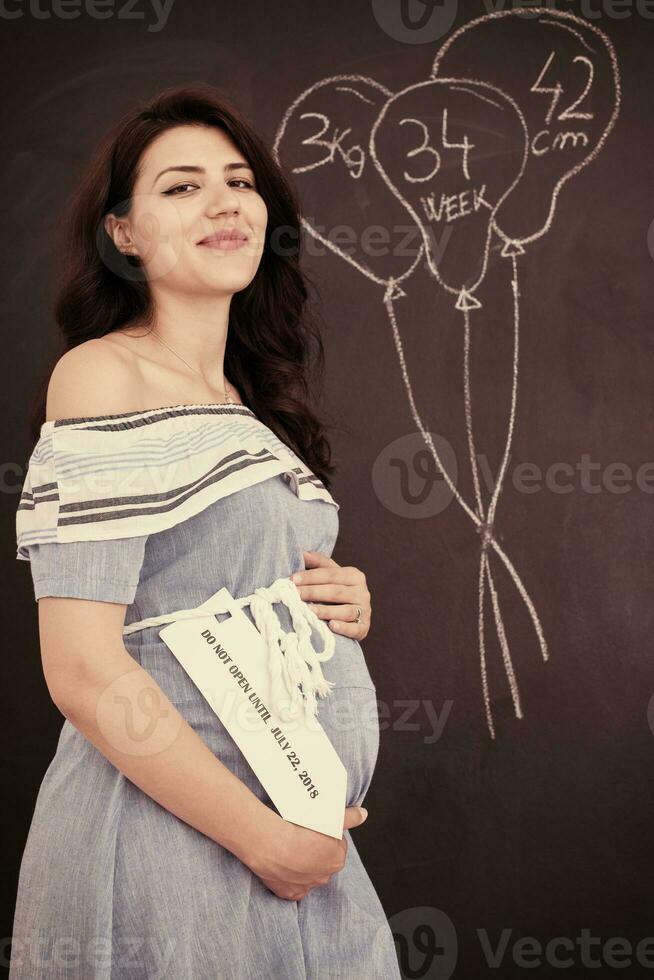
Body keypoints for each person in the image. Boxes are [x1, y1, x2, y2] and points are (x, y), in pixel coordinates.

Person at [10, 83, 400, 979]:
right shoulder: (103, 376)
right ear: (123, 234)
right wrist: (262, 838)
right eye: (181, 187)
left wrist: (332, 599)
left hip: (292, 836)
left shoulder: (252, 407)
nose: (225, 201)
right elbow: (80, 667)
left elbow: (213, 577)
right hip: (179, 833)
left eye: (240, 182)